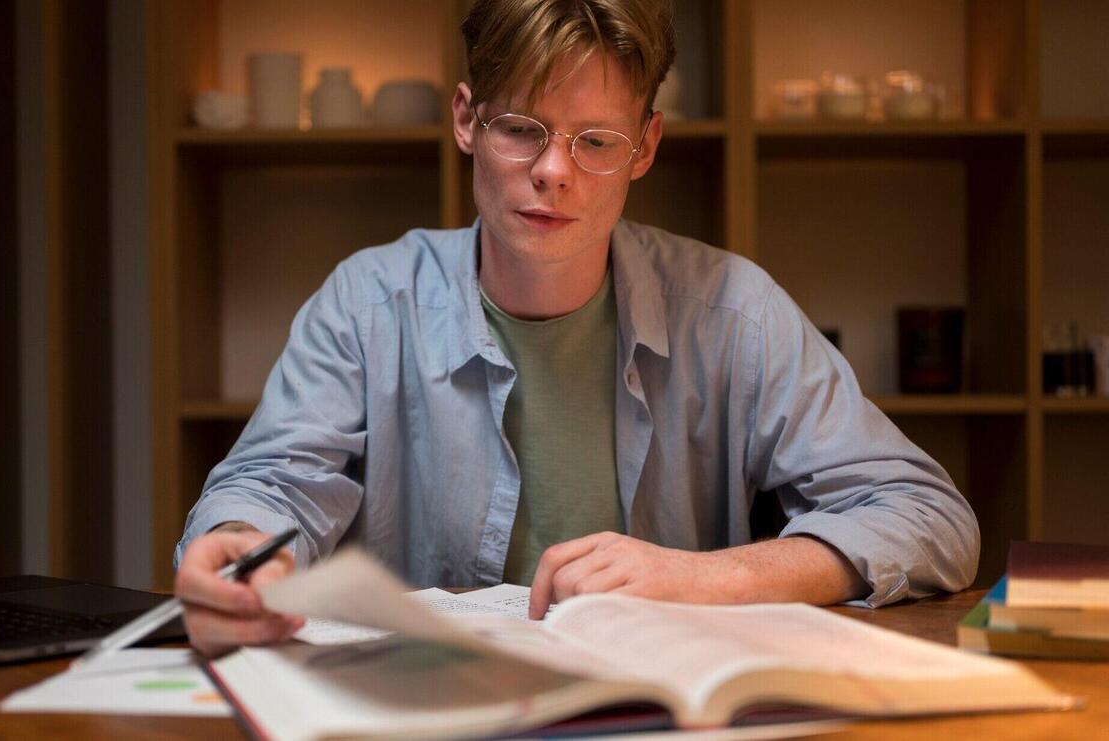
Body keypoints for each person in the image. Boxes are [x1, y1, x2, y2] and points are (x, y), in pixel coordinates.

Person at [173, 0, 979, 657]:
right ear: (466, 120)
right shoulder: (367, 302)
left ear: (646, 147)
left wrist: (704, 577)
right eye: (522, 127)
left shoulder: (735, 311)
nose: (554, 170)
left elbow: (928, 515)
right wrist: (242, 550)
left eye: (595, 141)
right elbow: (274, 482)